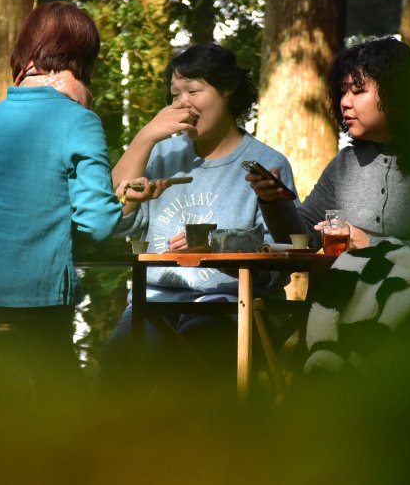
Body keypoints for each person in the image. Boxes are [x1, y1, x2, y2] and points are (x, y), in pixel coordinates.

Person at [0, 1, 122, 397]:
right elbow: (100, 223)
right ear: (83, 59)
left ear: (26, 54)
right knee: (63, 407)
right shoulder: (80, 121)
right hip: (30, 296)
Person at [100, 42, 297, 389]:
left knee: (188, 366)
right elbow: (113, 218)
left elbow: (279, 256)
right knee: (119, 363)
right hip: (155, 300)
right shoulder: (160, 154)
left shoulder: (266, 164)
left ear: (227, 90)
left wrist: (213, 245)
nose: (183, 103)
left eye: (194, 90)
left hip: (230, 304)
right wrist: (144, 137)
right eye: (175, 94)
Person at [248, 36, 410, 290]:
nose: (345, 102)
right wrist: (272, 202)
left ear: (397, 93)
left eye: (358, 91)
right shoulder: (345, 164)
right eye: (343, 91)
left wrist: (371, 244)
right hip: (341, 310)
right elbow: (303, 239)